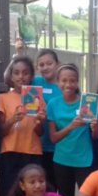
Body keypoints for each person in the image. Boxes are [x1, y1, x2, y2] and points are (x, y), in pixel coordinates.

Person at [0, 55, 46, 196]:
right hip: (10, 152)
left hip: (32, 151)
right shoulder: (2, 98)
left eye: (25, 73)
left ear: (31, 76)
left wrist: (39, 122)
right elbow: (1, 131)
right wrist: (13, 120)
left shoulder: (37, 97)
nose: (21, 77)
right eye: (17, 73)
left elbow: (40, 132)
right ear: (11, 76)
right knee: (8, 194)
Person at [47, 64, 94, 196]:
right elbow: (53, 138)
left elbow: (95, 136)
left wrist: (95, 127)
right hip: (62, 160)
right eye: (64, 80)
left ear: (77, 82)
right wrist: (71, 127)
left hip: (84, 160)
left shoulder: (87, 103)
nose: (68, 84)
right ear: (58, 82)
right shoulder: (53, 104)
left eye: (72, 81)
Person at [33, 49, 62, 187]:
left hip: (59, 147)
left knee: (58, 185)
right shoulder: (34, 82)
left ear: (58, 63)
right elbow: (9, 78)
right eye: (41, 65)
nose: (45, 67)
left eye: (49, 63)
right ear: (37, 67)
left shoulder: (64, 85)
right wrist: (18, 54)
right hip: (39, 146)